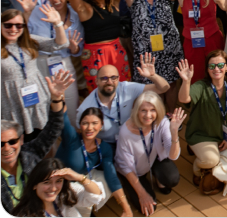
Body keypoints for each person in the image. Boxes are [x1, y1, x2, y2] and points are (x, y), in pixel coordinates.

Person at [1, 70, 71, 212]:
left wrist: (56, 98)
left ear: (21, 140)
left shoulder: (30, 154)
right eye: (1, 144)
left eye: (12, 142)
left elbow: (54, 128)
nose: (7, 148)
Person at [122, 0, 183, 111]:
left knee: (171, 83)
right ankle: (157, 115)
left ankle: (170, 114)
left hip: (169, 49)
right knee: (151, 84)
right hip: (146, 52)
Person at [16, 0, 83, 126]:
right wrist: (27, 14)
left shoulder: (76, 15)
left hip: (64, 63)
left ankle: (73, 137)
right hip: (39, 63)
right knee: (45, 107)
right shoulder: (37, 11)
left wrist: (74, 48)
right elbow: (24, 37)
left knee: (71, 106)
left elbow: (78, 50)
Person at [177, 50, 227, 193]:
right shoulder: (201, 86)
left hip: (220, 136)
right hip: (201, 135)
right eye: (212, 66)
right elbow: (183, 99)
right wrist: (186, 81)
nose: (216, 69)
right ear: (207, 69)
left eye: (220, 65)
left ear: (226, 67)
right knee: (211, 160)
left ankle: (202, 159)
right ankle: (197, 169)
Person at [1, 7, 69, 137]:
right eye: (8, 25)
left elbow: (60, 44)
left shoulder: (29, 40)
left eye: (18, 25)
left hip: (38, 99)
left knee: (43, 137)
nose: (13, 29)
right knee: (19, 139)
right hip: (12, 104)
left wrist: (57, 23)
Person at [115, 92, 185, 216]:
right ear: (137, 111)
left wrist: (174, 132)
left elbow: (173, 156)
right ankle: (129, 185)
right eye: (143, 110)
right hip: (133, 171)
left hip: (152, 159)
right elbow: (127, 168)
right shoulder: (126, 132)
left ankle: (157, 177)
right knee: (149, 208)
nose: (148, 115)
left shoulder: (162, 122)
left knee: (172, 179)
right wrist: (142, 194)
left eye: (153, 110)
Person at [76, 61, 170, 147]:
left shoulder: (126, 88)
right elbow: (79, 130)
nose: (109, 82)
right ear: (97, 81)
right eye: (104, 78)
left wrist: (152, 76)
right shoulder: (86, 107)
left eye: (113, 78)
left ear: (118, 79)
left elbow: (164, 88)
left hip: (131, 139)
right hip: (106, 145)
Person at [55, 108, 130, 216]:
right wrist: (58, 100)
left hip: (81, 178)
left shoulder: (104, 148)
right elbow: (63, 118)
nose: (90, 128)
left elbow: (112, 178)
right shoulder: (71, 138)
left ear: (101, 125)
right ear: (80, 125)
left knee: (106, 180)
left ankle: (88, 208)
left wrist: (126, 209)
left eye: (94, 123)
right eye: (85, 123)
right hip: (60, 182)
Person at [10, 158, 105, 217]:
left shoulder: (64, 193)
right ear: (34, 185)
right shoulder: (25, 214)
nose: (53, 188)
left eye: (58, 181)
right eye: (47, 182)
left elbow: (96, 195)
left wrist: (79, 177)